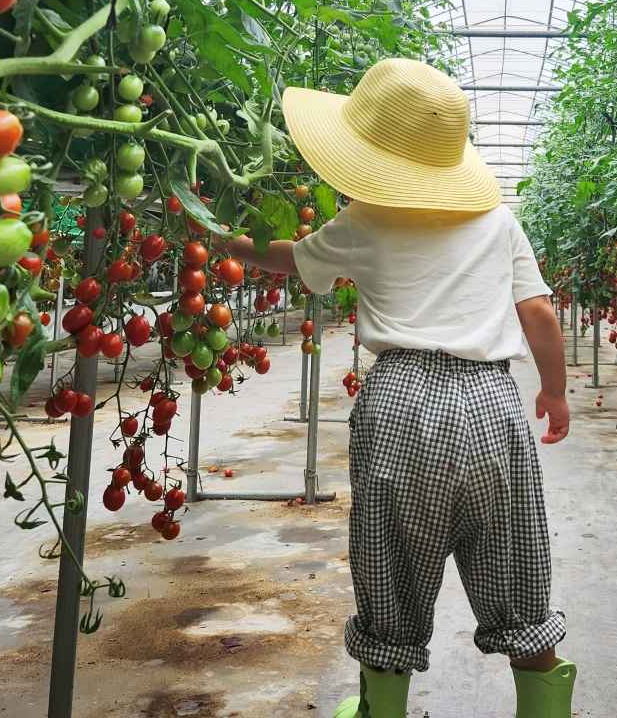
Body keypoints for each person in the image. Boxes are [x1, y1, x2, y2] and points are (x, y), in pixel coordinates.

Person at [214, 58, 577, 718]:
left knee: (390, 565)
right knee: (515, 566)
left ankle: (383, 708)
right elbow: (540, 315)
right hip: (493, 402)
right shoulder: (498, 222)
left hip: (401, 400)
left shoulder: (364, 220)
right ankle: (544, 707)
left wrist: (220, 241)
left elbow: (290, 261)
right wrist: (553, 392)